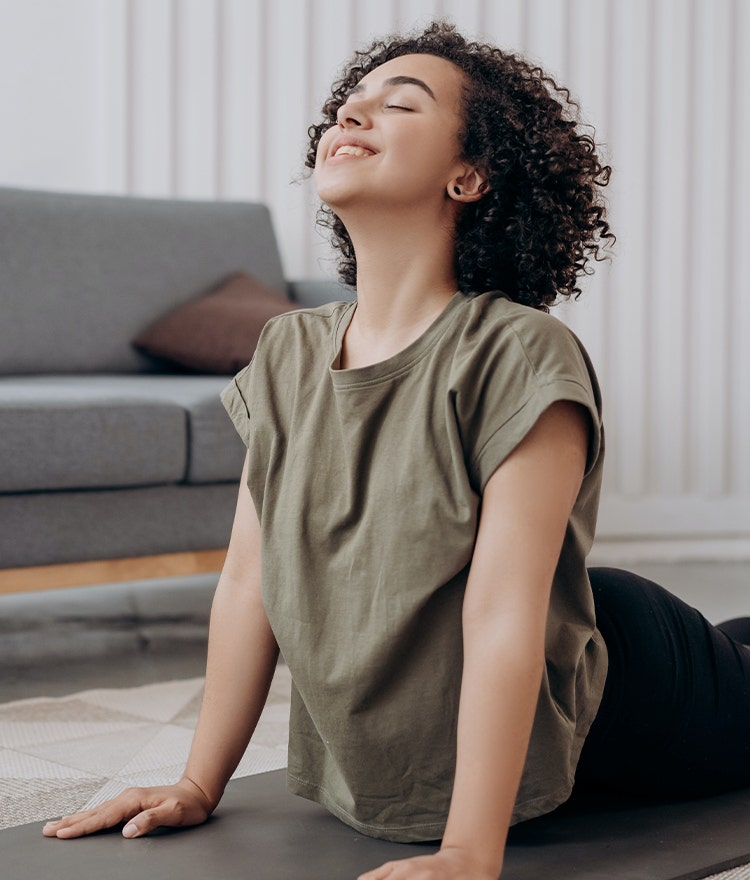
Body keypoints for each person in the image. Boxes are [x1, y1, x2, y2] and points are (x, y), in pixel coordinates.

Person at [42, 21, 749, 880]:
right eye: (349, 103)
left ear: (470, 174)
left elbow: (503, 616)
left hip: (624, 689)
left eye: (399, 101)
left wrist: (468, 852)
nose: (355, 112)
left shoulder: (518, 352)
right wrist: (198, 782)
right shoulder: (287, 352)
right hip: (556, 628)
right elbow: (246, 581)